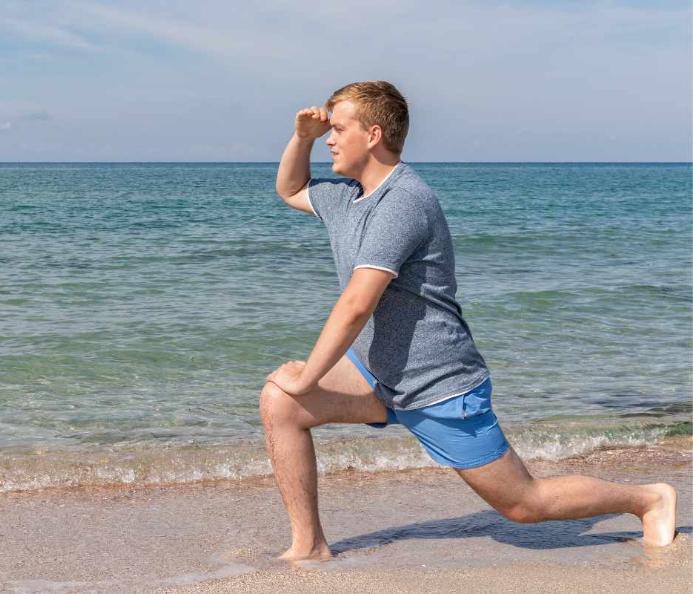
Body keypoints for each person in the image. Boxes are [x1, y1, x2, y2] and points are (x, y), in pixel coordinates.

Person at [261, 80, 677, 562]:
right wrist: (302, 137)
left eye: (337, 129)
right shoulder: (346, 198)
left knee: (524, 505)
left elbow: (357, 305)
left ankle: (647, 498)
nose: (330, 138)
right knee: (281, 404)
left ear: (373, 134)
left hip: (438, 383)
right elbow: (290, 188)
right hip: (378, 372)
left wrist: (308, 376)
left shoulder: (403, 202)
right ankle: (308, 545)